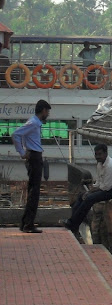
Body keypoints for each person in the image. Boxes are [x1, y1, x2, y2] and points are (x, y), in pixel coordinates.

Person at [61, 144, 112, 233]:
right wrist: (91, 190)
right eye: (96, 154)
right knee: (80, 196)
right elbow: (98, 182)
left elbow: (106, 187)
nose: (97, 157)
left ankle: (73, 224)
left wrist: (90, 192)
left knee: (89, 198)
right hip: (104, 188)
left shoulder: (111, 166)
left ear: (106, 153)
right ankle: (73, 222)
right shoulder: (99, 164)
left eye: (100, 154)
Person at [11, 99, 51, 233]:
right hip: (34, 157)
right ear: (43, 111)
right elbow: (16, 134)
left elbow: (22, 136)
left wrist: (24, 150)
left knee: (33, 190)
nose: (48, 114)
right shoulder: (33, 123)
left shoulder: (35, 123)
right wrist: (22, 152)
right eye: (47, 111)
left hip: (34, 156)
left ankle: (25, 223)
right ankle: (28, 224)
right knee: (34, 192)